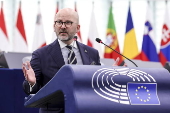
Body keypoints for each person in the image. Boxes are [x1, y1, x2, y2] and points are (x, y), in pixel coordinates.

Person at [22, 8, 105, 113]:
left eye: (68, 23)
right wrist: (32, 83)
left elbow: (96, 84)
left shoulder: (92, 53)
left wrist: (110, 75)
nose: (63, 26)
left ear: (77, 28)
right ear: (54, 26)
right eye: (59, 22)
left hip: (85, 109)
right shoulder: (40, 55)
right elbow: (31, 90)